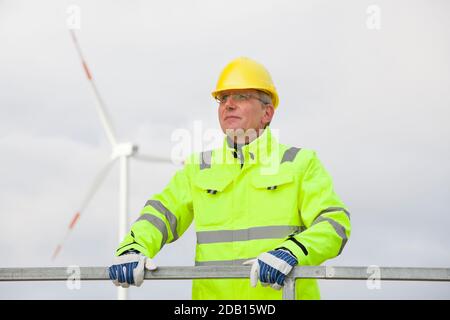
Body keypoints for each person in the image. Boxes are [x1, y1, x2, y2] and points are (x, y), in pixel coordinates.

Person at [108, 57, 351, 299]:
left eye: (241, 97)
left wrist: (293, 251)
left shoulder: (299, 162)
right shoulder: (199, 168)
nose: (229, 105)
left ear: (267, 112)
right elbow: (160, 214)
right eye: (223, 98)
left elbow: (334, 224)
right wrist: (133, 246)